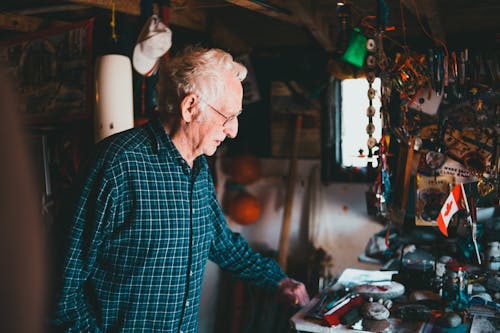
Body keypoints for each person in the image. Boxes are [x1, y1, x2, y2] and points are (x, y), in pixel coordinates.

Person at [52, 46, 309, 332]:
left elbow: (221, 244)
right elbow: (59, 285)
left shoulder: (198, 170)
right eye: (227, 116)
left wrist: (278, 280)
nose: (233, 130)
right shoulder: (117, 164)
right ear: (190, 107)